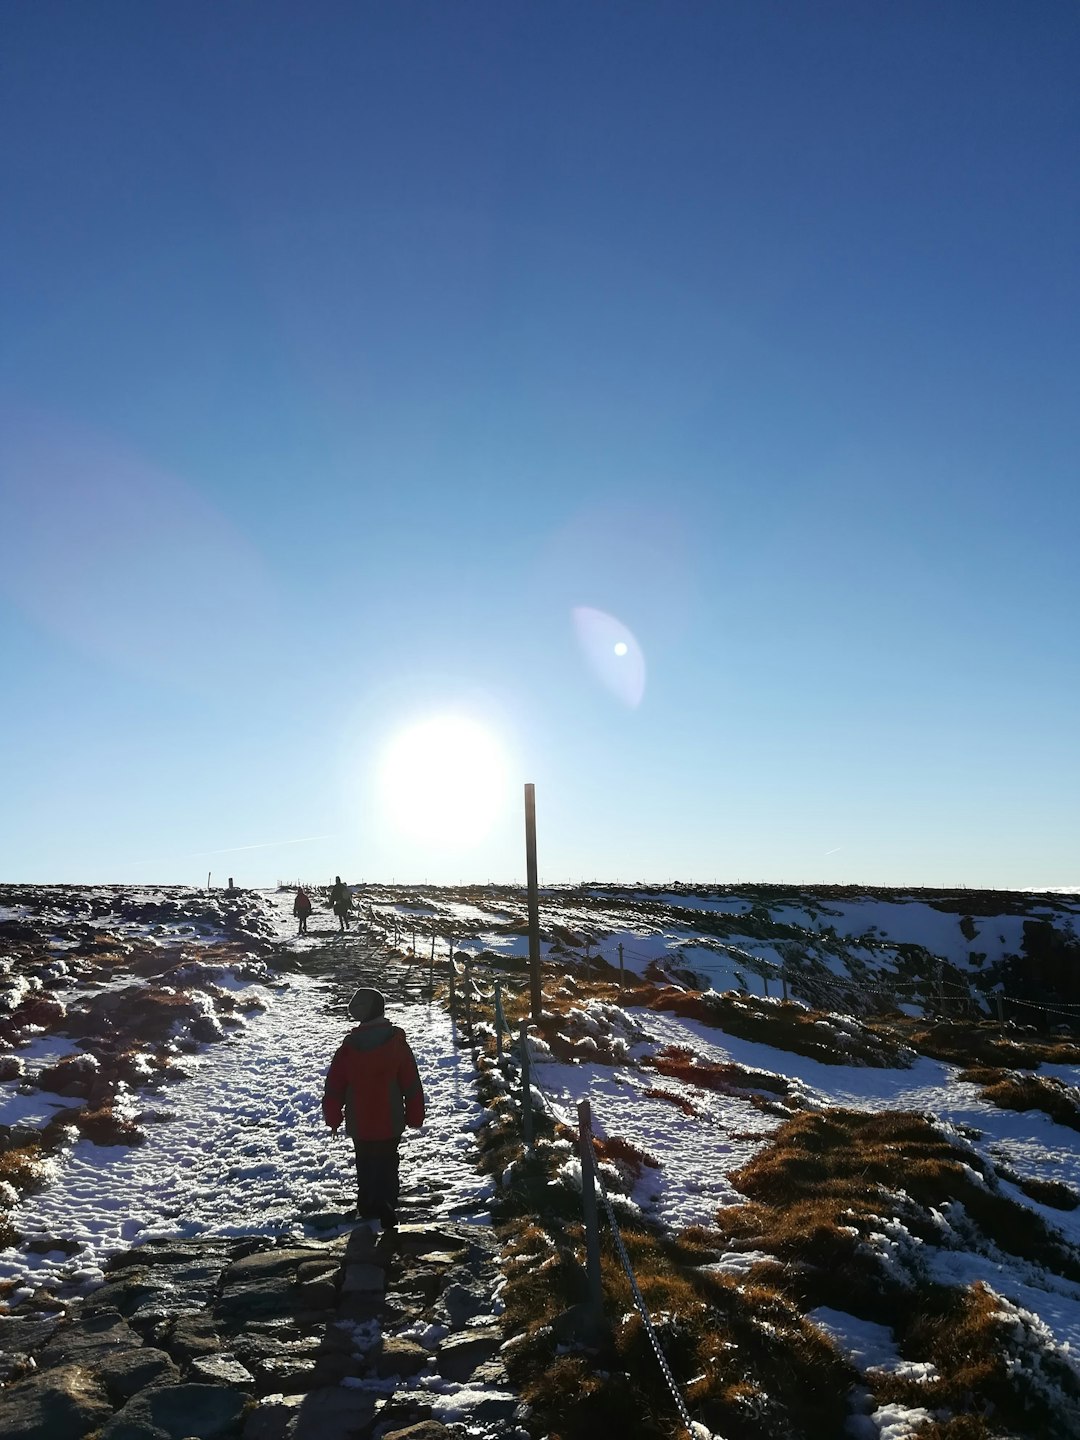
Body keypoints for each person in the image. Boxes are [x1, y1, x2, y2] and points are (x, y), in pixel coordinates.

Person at [322, 988, 425, 1227]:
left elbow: (335, 1087)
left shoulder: (348, 1048)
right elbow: (411, 1083)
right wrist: (415, 1115)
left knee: (365, 1160)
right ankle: (387, 1201)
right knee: (388, 1159)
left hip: (360, 1120)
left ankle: (368, 1204)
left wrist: (333, 1118)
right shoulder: (396, 1043)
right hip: (391, 1117)